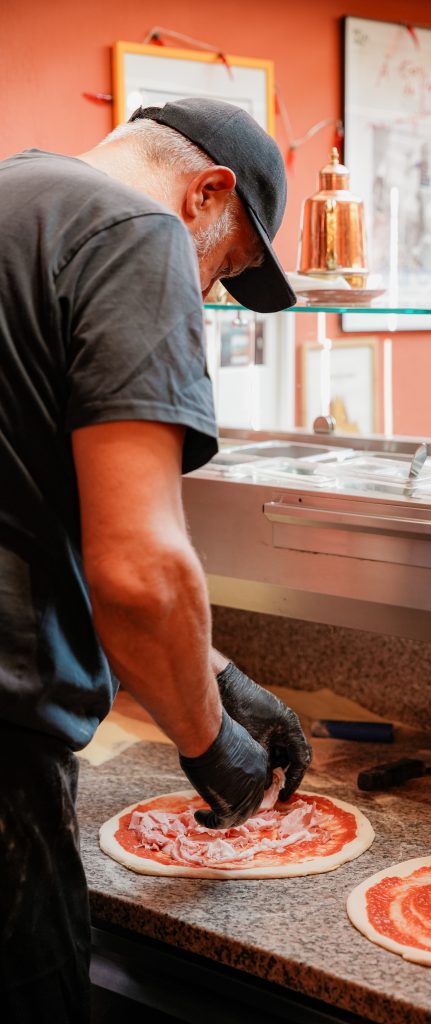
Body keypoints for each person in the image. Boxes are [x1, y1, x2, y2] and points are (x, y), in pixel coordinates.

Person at [0, 97, 311, 1023]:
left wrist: (217, 675)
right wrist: (211, 743)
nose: (204, 294)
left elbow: (27, 511)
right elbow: (137, 575)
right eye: (225, 268)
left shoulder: (17, 201)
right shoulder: (137, 230)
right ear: (206, 193)